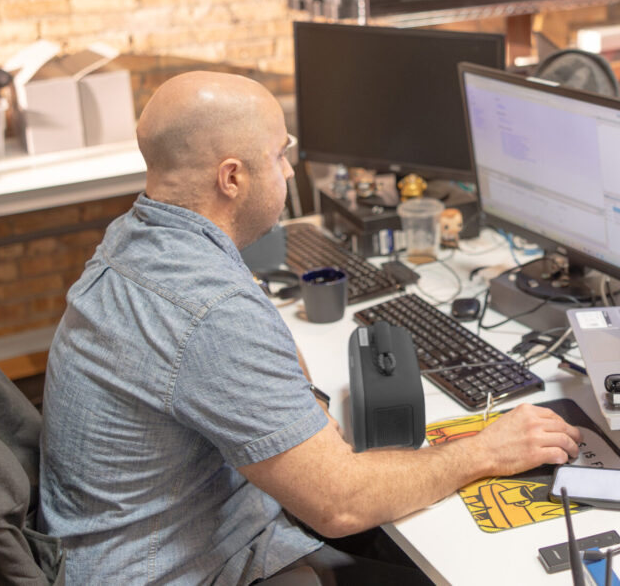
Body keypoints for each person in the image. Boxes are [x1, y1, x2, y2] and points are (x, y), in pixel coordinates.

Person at [38, 71, 583, 585]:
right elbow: (339, 505)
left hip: (141, 541)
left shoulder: (141, 238)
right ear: (233, 178)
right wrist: (486, 451)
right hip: (180, 570)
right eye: (280, 155)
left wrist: (299, 401)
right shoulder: (209, 309)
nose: (291, 171)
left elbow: (243, 324)